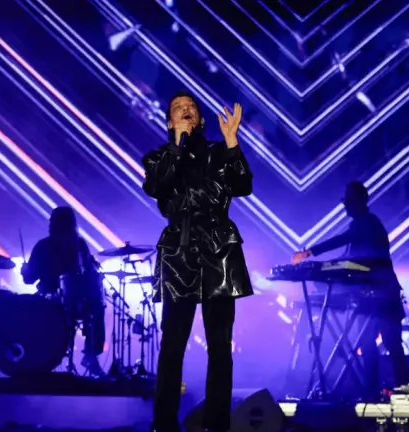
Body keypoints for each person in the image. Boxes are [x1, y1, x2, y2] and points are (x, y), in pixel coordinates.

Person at [143, 90, 254, 432]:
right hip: (179, 253)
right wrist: (177, 147)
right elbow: (157, 188)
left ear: (201, 118)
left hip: (220, 253)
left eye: (191, 106)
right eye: (178, 107)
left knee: (219, 347)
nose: (186, 110)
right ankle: (164, 423)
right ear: (169, 121)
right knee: (172, 345)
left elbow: (243, 185)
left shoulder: (219, 153)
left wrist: (232, 142)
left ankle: (217, 424)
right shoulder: (158, 157)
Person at [292, 181, 409, 399]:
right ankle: (372, 394)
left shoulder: (366, 224)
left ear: (358, 202)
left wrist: (310, 253)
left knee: (389, 343)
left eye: (348, 202)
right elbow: (349, 258)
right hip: (372, 296)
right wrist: (321, 269)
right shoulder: (362, 224)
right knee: (370, 343)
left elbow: (342, 243)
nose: (345, 206)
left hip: (383, 295)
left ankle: (404, 394)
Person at [21, 206, 106, 376]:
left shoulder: (75, 246)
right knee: (95, 309)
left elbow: (29, 279)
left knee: (96, 307)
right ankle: (88, 354)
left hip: (73, 300)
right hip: (51, 299)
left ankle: (90, 355)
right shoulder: (71, 245)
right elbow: (30, 279)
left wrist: (25, 271)